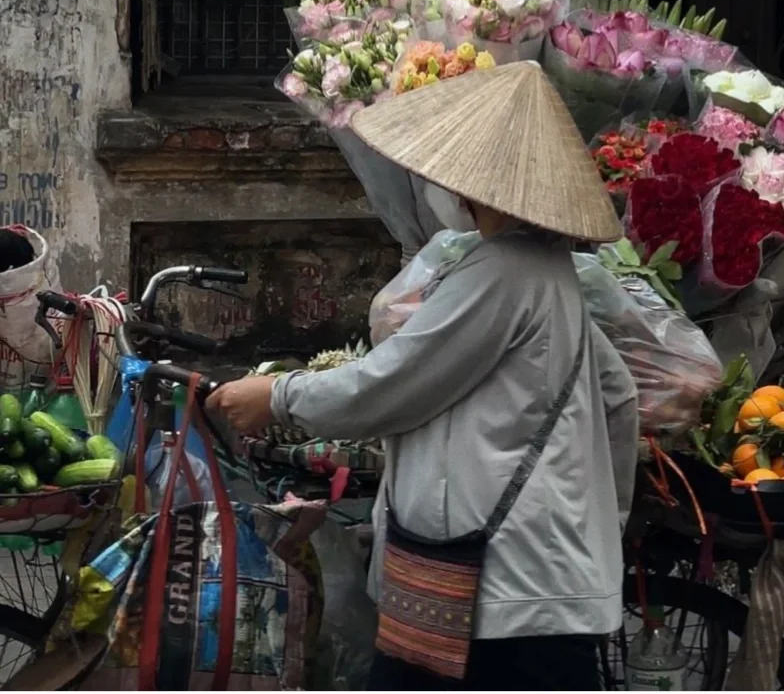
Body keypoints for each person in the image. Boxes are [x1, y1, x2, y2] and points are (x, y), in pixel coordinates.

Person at [208, 61, 638, 692]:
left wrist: (277, 395)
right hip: (533, 580)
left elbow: (390, 386)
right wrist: (602, 525)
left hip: (497, 592)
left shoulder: (501, 273)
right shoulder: (549, 273)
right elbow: (618, 398)